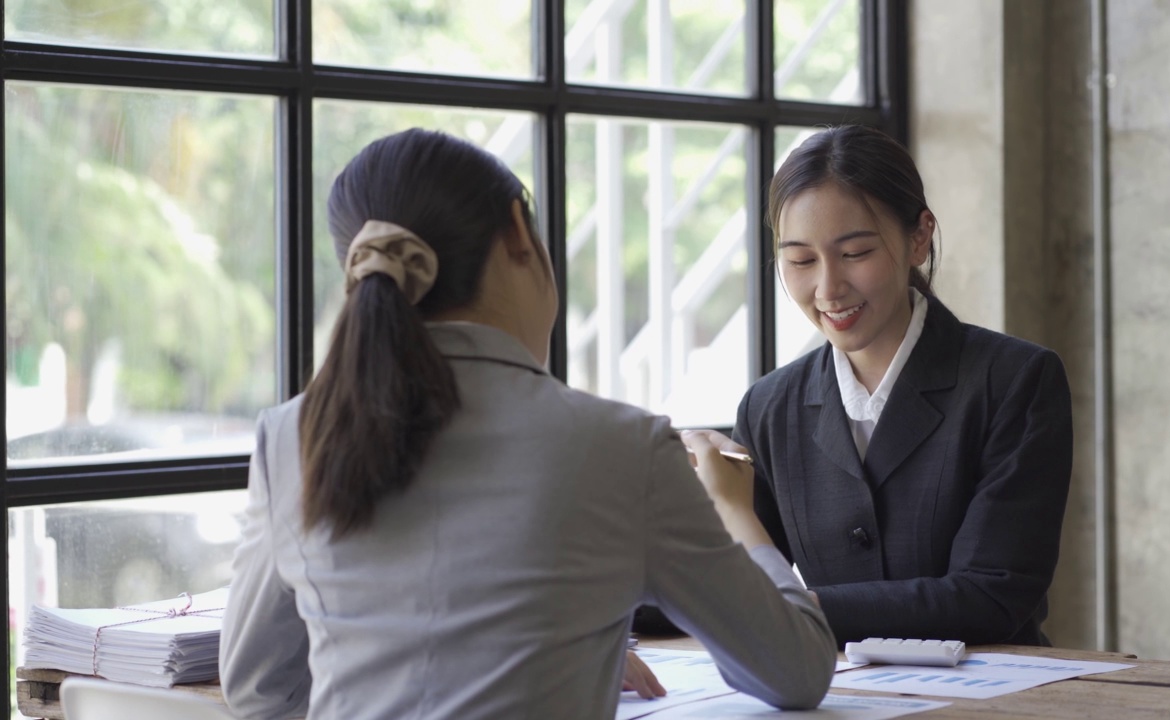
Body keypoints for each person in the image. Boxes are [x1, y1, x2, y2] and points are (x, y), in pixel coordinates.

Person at [218, 128, 835, 720]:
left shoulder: (290, 436)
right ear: (518, 231)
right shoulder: (620, 446)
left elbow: (258, 688)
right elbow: (795, 670)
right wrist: (736, 513)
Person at [724, 124, 1073, 647]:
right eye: (799, 261)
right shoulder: (770, 407)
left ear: (919, 237)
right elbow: (726, 585)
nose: (827, 288)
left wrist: (799, 609)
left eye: (855, 253)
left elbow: (991, 596)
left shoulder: (1014, 381)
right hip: (834, 700)